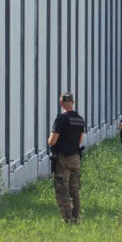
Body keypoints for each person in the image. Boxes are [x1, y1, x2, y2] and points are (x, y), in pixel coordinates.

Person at [48, 93, 86, 224]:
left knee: (62, 190)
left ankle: (67, 219)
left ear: (61, 103)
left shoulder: (61, 119)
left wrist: (49, 140)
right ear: (73, 102)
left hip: (62, 159)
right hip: (75, 158)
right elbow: (81, 140)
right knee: (74, 190)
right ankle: (76, 218)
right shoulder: (80, 120)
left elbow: (52, 141)